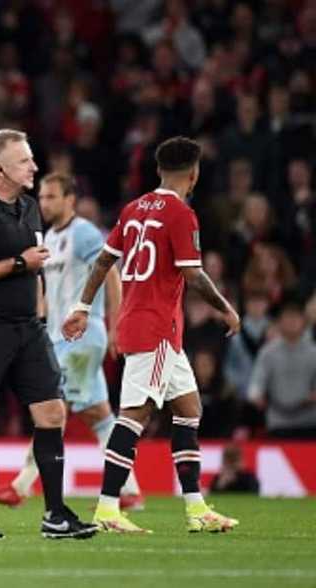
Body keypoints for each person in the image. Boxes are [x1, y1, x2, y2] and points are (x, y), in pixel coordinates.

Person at [63, 136, 241, 533]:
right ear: (192, 175)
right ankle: (108, 508)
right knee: (135, 416)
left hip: (144, 325)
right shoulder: (182, 214)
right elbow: (193, 275)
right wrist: (226, 308)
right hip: (156, 327)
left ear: (160, 171)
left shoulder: (133, 209)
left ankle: (196, 510)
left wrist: (81, 306)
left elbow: (104, 260)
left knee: (189, 410)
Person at [0, 129, 97, 540]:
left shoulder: (30, 207)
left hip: (28, 329)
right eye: (25, 161)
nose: (34, 166)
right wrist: (18, 262)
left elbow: (36, 273)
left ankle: (54, 514)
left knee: (53, 412)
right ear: (0, 168)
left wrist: (45, 314)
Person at [0, 172, 144, 511]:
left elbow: (111, 274)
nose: (44, 203)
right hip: (59, 339)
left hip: (82, 338)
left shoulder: (83, 233)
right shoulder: (49, 240)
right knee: (99, 415)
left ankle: (20, 486)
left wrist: (116, 326)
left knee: (50, 407)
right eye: (41, 197)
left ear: (70, 199)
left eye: (52, 197)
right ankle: (129, 490)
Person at [246, 298, 316, 438]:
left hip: (309, 421)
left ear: (303, 322)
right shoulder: (268, 352)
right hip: (278, 421)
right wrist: (256, 396)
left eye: (295, 318)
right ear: (280, 322)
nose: (291, 323)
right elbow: (256, 383)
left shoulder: (313, 352)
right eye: (287, 318)